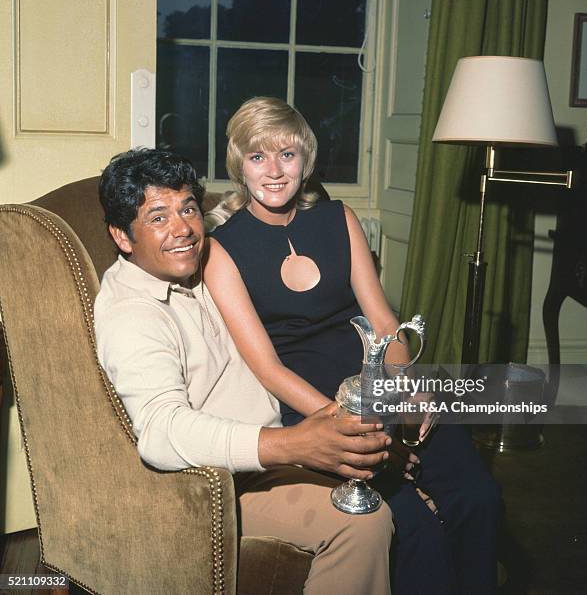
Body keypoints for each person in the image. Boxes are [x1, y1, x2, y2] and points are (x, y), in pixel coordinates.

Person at [205, 97, 501, 595]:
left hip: (381, 388)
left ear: (307, 160)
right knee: (410, 528)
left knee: (478, 496)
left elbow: (384, 320)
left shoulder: (338, 218)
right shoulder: (221, 249)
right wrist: (341, 424)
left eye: (287, 156)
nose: (274, 171)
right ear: (239, 164)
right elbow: (267, 367)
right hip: (313, 410)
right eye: (258, 157)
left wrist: (406, 388)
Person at [93, 148, 396, 595]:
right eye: (157, 218)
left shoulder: (205, 264)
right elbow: (160, 431)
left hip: (278, 437)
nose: (183, 230)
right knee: (364, 522)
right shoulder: (130, 312)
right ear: (122, 236)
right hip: (217, 486)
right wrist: (296, 443)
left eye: (188, 209)